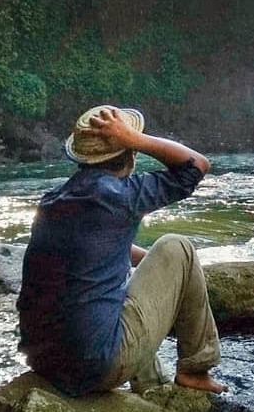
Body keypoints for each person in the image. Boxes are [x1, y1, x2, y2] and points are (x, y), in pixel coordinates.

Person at [16, 104, 227, 397]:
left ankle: (152, 384)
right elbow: (196, 165)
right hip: (94, 368)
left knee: (112, 291)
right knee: (179, 247)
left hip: (43, 362)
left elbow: (101, 248)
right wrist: (134, 138)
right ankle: (195, 370)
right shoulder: (120, 195)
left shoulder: (54, 199)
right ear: (129, 153)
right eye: (131, 145)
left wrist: (156, 268)